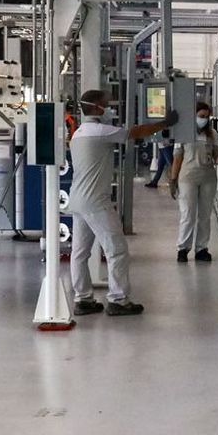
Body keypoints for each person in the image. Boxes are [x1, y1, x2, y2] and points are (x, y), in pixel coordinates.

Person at [69, 89, 178, 316]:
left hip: (77, 199)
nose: (109, 108)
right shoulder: (100, 131)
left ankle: (83, 299)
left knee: (79, 253)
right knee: (116, 249)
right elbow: (135, 132)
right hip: (95, 201)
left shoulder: (78, 133)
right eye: (106, 104)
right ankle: (118, 300)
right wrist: (165, 123)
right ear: (96, 107)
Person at [169, 102, 218, 262]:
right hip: (187, 178)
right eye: (201, 116)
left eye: (206, 117)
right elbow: (177, 158)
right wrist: (173, 180)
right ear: (193, 116)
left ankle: (201, 248)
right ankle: (182, 248)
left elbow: (216, 155)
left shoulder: (212, 135)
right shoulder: (183, 133)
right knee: (188, 214)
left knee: (205, 215)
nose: (204, 119)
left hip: (208, 178)